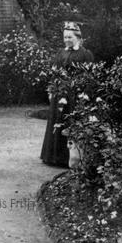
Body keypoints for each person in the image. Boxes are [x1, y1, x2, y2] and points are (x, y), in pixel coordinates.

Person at [40, 22, 93, 167]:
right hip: (60, 93)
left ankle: (71, 158)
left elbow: (90, 76)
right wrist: (51, 89)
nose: (67, 40)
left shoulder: (85, 54)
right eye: (65, 37)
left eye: (70, 37)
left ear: (78, 37)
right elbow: (54, 73)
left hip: (75, 95)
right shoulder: (61, 53)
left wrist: (85, 93)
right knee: (57, 121)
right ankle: (53, 157)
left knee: (72, 122)